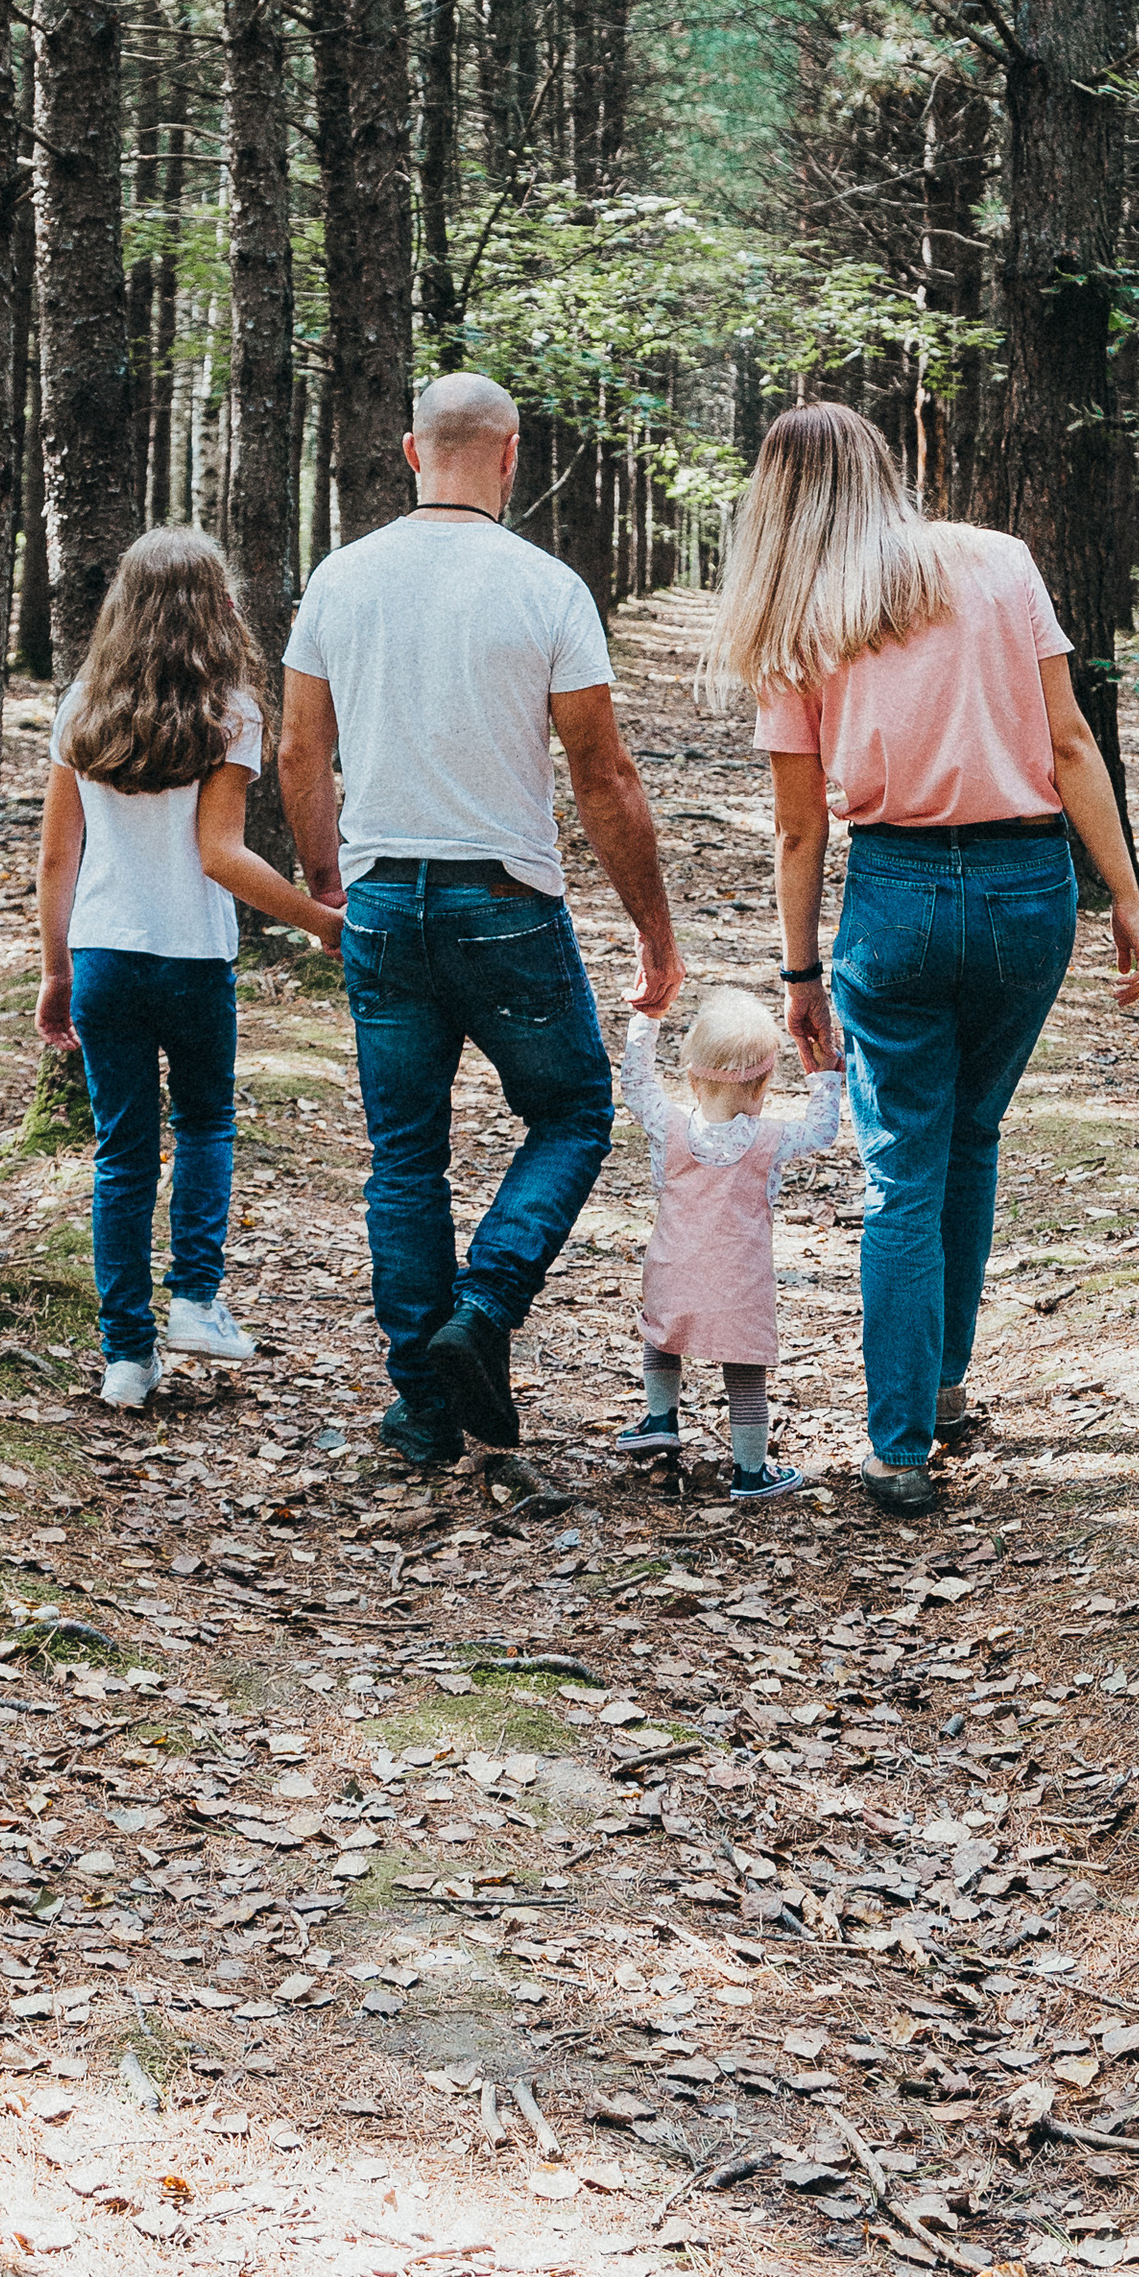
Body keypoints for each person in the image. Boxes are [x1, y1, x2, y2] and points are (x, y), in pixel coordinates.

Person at [709, 404, 1139, 1519]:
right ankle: (946, 1382)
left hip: (895, 899)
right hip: (1026, 890)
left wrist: (798, 973)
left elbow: (800, 827)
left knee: (904, 1166)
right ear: (882, 469)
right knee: (972, 1134)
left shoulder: (795, 614)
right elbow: (1067, 743)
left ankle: (899, 1443)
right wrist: (1128, 898)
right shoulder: (998, 562)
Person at [279, 371, 684, 1468]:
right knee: (571, 1115)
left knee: (403, 1155)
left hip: (379, 896)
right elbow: (602, 776)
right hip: (504, 901)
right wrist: (653, 929)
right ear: (511, 456)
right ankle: (486, 1310)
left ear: (413, 454)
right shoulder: (545, 587)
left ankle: (422, 1405)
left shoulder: (339, 578)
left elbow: (298, 751)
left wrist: (328, 879)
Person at [36, 528, 345, 1411]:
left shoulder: (82, 705)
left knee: (122, 1155)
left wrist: (56, 971)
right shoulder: (231, 711)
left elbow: (58, 861)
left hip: (101, 956)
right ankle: (196, 1304)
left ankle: (126, 1357)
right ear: (218, 609)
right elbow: (220, 854)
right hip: (191, 960)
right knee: (206, 1122)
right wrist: (323, 922)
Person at [616, 984, 844, 1505]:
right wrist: (825, 1075)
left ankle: (659, 1417)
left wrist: (647, 1018)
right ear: (763, 1086)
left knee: (661, 1335)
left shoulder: (668, 1125)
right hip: (739, 1287)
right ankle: (750, 1471)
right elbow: (823, 1130)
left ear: (693, 1078)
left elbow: (635, 1084)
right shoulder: (770, 1140)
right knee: (744, 1374)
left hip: (672, 1271)